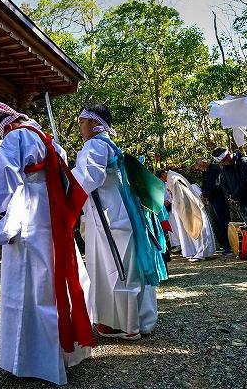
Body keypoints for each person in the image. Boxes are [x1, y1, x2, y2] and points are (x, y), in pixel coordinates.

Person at [0, 103, 93, 385]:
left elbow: (5, 176)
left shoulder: (16, 137)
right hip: (52, 213)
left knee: (26, 284)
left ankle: (30, 360)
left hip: (28, 209)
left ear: (8, 125)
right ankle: (65, 353)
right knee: (53, 279)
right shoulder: (51, 141)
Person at [72, 103, 164, 340]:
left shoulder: (95, 145)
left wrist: (64, 178)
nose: (80, 127)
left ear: (94, 123)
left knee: (116, 268)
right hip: (117, 211)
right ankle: (135, 321)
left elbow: (89, 177)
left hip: (109, 216)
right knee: (123, 265)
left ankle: (127, 324)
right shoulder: (110, 146)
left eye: (82, 121)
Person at [160, 170, 216, 262]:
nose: (163, 181)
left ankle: (201, 253)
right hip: (180, 208)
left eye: (162, 179)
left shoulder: (175, 180)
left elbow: (182, 197)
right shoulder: (172, 179)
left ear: (163, 175)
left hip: (188, 208)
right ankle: (192, 251)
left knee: (196, 227)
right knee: (185, 230)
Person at [196, 154, 232, 255]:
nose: (200, 169)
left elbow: (215, 184)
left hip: (219, 198)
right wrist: (204, 194)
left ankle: (228, 245)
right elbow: (205, 184)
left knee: (223, 222)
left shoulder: (214, 169)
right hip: (212, 199)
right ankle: (223, 245)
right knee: (216, 222)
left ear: (204, 163)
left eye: (200, 166)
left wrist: (206, 195)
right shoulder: (206, 171)